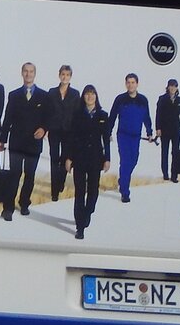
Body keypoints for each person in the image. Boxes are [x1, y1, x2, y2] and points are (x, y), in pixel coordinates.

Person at [0, 62, 47, 220]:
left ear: (35, 73)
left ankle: (24, 203)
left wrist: (44, 128)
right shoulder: (14, 95)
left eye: (31, 71)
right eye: (26, 71)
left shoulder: (43, 96)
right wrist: (2, 140)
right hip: (17, 142)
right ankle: (8, 208)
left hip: (34, 143)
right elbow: (8, 119)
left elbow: (49, 117)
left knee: (30, 175)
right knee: (14, 175)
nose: (28, 74)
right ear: (22, 73)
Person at [65, 85, 110, 239]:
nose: (90, 97)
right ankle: (80, 226)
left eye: (92, 94)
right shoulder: (77, 115)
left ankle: (88, 212)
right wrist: (69, 158)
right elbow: (71, 138)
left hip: (96, 158)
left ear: (96, 96)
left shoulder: (103, 115)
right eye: (87, 94)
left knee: (93, 191)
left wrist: (107, 159)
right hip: (79, 157)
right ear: (83, 97)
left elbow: (106, 140)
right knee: (79, 192)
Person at [108, 73, 153, 203]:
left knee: (134, 160)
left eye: (133, 82)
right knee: (125, 161)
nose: (130, 85)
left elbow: (146, 117)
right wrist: (108, 132)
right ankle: (125, 192)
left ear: (137, 84)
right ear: (125, 84)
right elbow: (112, 116)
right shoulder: (120, 99)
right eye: (128, 82)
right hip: (123, 135)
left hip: (136, 136)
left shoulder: (143, 100)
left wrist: (149, 132)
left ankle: (122, 180)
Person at [43, 64, 80, 202]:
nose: (65, 77)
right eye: (63, 74)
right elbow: (46, 112)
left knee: (65, 158)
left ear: (70, 77)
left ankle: (60, 182)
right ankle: (54, 191)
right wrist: (45, 128)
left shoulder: (75, 94)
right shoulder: (51, 92)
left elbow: (77, 114)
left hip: (69, 131)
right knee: (54, 158)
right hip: (54, 130)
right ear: (59, 75)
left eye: (67, 75)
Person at [155, 78, 180, 182]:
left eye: (174, 86)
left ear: (177, 88)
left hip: (176, 130)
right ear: (168, 87)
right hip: (165, 130)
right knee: (164, 152)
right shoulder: (162, 99)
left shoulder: (179, 100)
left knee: (175, 153)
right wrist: (158, 128)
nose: (172, 88)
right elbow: (158, 114)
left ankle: (174, 175)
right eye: (171, 86)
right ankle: (165, 174)